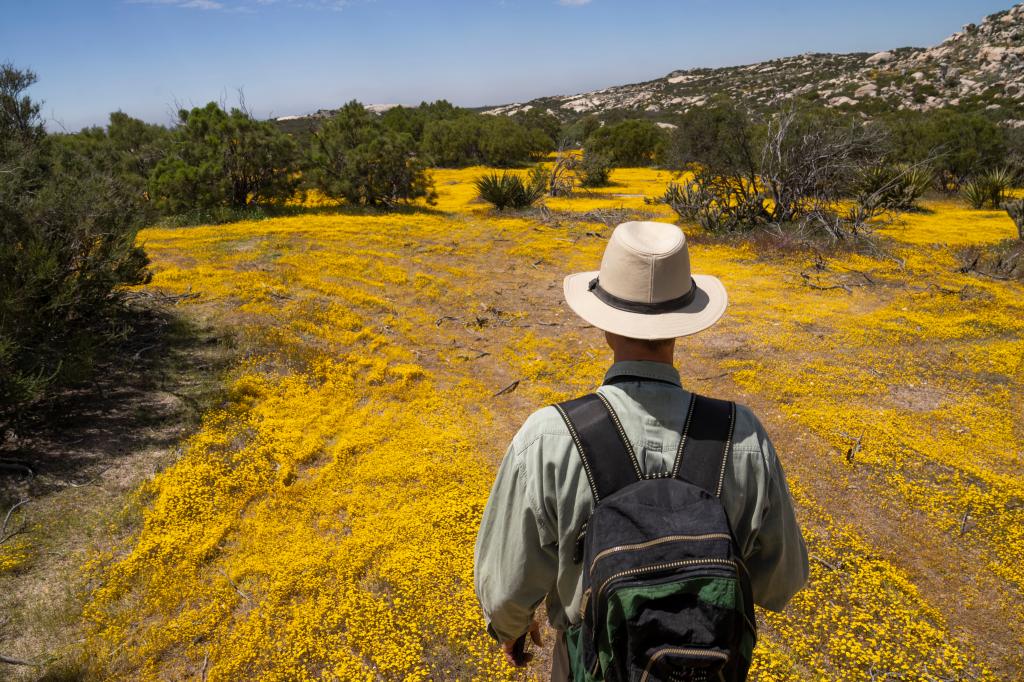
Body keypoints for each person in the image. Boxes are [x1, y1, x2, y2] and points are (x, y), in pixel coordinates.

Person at [473, 220, 808, 680]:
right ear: (683, 325)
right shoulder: (744, 437)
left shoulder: (548, 437)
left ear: (604, 324)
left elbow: (506, 589)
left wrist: (510, 628)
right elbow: (780, 584)